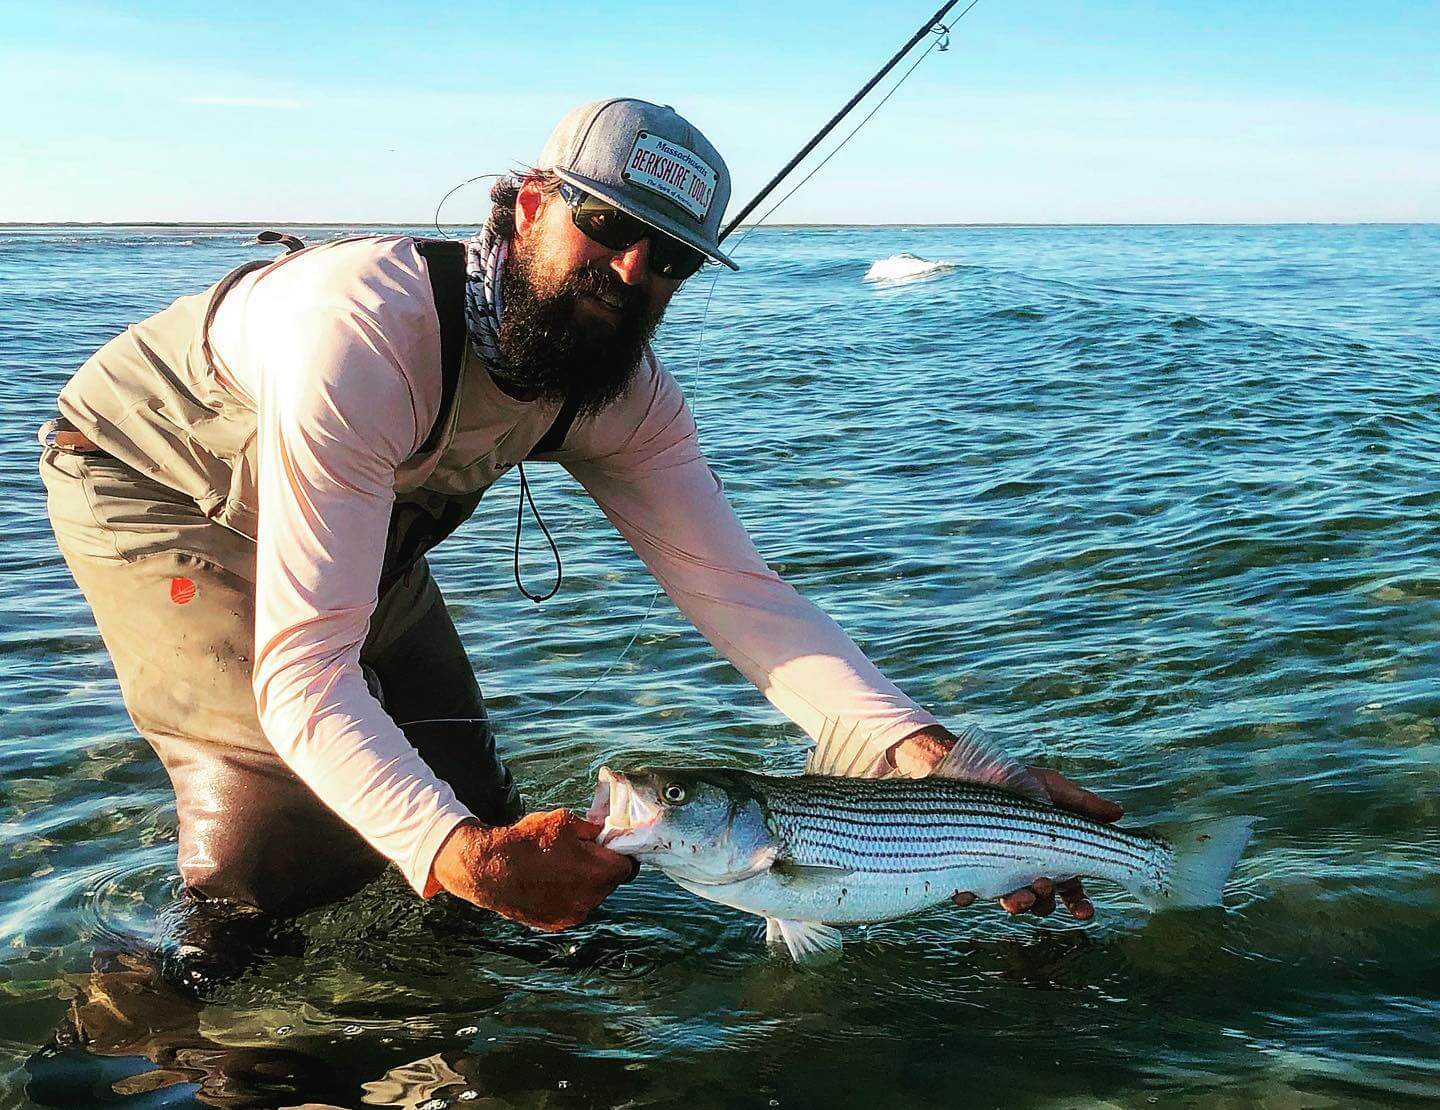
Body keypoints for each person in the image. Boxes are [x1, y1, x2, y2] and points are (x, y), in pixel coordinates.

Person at [40, 97, 1120, 929]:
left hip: (363, 514)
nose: (631, 271)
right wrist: (461, 859)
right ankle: (181, 1042)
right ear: (521, 208)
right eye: (604, 224)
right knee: (282, 835)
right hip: (160, 486)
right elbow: (305, 671)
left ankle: (455, 996)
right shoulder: (363, 334)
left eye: (672, 257)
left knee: (461, 787)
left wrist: (934, 767)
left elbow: (741, 595)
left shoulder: (626, 396)